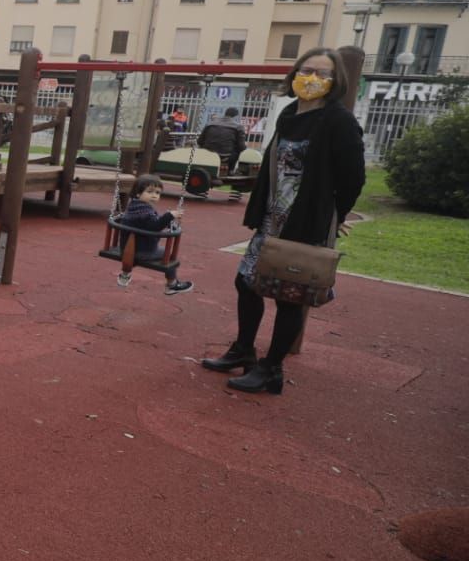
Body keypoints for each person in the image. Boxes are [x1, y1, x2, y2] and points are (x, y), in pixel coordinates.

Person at [201, 48, 365, 395]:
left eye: (324, 75)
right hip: (273, 216)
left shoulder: (338, 120)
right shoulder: (290, 113)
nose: (313, 79)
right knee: (246, 282)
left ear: (336, 82)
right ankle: (244, 348)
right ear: (293, 75)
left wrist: (335, 216)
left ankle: (271, 368)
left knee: (290, 295)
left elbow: (353, 176)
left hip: (305, 219)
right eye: (307, 71)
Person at [120, 174, 193, 295]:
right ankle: (172, 285)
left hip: (127, 249)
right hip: (142, 251)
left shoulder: (135, 206)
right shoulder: (144, 212)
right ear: (138, 193)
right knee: (168, 255)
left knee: (158, 248)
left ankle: (125, 275)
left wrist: (167, 219)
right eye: (150, 192)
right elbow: (155, 226)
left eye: (158, 193)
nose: (154, 195)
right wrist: (169, 216)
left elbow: (151, 223)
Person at [196, 107, 247, 172]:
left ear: (225, 113)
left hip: (207, 153)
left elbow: (199, 141)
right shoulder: (238, 127)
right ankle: (230, 170)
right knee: (238, 151)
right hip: (225, 156)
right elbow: (241, 146)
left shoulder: (210, 123)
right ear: (235, 116)